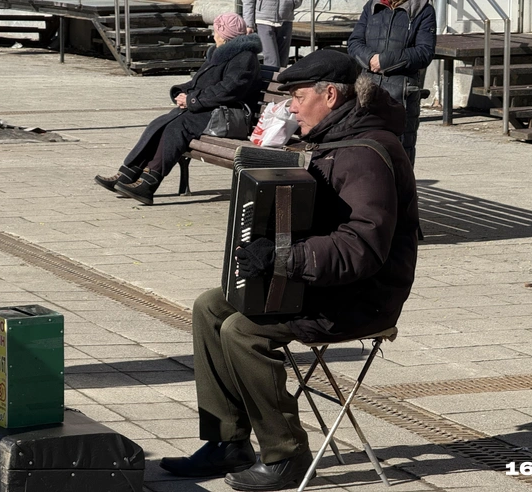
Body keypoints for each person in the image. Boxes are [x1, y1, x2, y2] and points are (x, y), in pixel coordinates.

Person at [158, 49, 419, 491]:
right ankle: (228, 442)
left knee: (242, 331)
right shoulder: (331, 139)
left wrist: (283, 258)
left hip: (360, 297)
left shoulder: (366, 153)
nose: (291, 107)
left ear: (330, 95)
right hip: (321, 284)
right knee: (210, 306)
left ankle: (285, 453)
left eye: (297, 97)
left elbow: (362, 249)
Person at [94, 13, 262, 205]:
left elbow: (229, 90)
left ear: (224, 35)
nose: (213, 35)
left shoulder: (243, 57)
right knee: (161, 123)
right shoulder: (221, 52)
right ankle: (127, 174)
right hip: (211, 109)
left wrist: (192, 100)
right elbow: (201, 82)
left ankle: (148, 184)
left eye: (216, 31)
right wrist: (182, 93)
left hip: (230, 116)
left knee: (177, 127)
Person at [347, 0, 436, 167]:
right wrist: (370, 59)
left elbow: (424, 52)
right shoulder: (372, 6)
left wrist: (384, 61)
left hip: (401, 93)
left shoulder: (422, 10)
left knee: (400, 153)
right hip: (367, 90)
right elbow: (354, 42)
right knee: (364, 148)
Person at [242, 0, 302, 68]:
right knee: (272, 62)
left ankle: (279, 78)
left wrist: (293, 3)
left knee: (283, 61)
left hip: (286, 19)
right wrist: (248, 24)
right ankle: (271, 78)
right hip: (264, 20)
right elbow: (248, 1)